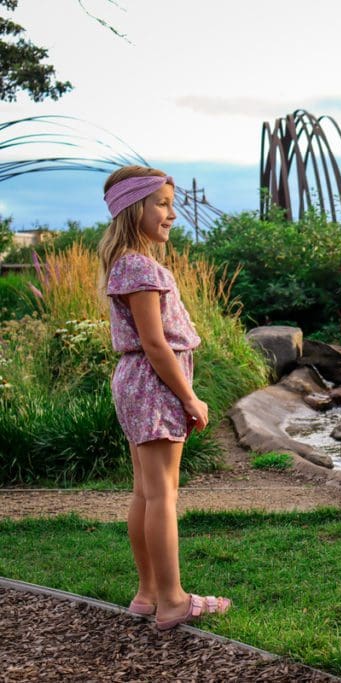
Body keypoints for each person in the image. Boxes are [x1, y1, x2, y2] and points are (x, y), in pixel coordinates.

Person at [98, 165, 231, 631]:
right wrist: (191, 398)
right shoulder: (139, 266)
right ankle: (172, 600)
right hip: (153, 385)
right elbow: (155, 343)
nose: (172, 214)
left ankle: (148, 592)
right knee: (162, 496)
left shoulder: (129, 264)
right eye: (162, 203)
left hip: (138, 383)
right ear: (134, 209)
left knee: (146, 492)